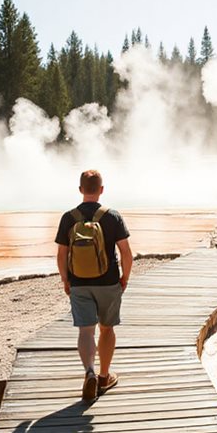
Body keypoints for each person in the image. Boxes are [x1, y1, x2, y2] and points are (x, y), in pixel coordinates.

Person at [55, 169, 132, 401]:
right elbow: (126, 253)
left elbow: (61, 254)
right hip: (108, 282)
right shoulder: (112, 216)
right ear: (101, 190)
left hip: (79, 282)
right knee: (106, 329)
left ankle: (89, 372)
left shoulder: (69, 218)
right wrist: (124, 278)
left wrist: (66, 280)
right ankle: (104, 376)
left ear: (80, 190)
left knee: (85, 330)